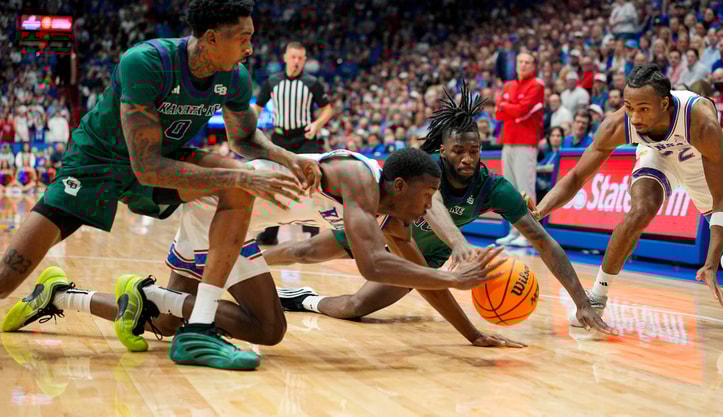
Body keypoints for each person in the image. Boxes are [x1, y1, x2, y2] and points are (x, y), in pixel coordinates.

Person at [0, 0, 321, 370]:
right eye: (244, 38)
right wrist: (239, 174)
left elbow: (246, 139)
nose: (251, 48)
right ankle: (54, 292)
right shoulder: (146, 62)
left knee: (235, 186)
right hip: (97, 164)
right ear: (213, 39)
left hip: (165, 159)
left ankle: (199, 323)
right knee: (8, 277)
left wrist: (287, 157)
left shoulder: (235, 76)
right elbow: (147, 167)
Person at [2, 149, 509, 367]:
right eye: (426, 197)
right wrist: (459, 278)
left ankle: (64, 296)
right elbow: (373, 266)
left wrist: (471, 332)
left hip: (219, 209)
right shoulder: (358, 180)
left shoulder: (392, 215)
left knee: (172, 315)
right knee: (267, 328)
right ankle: (144, 292)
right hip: (223, 206)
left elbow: (420, 277)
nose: (428, 207)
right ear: (399, 186)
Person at [267, 86, 612, 337]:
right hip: (380, 228)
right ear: (443, 150)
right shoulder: (426, 170)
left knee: (355, 308)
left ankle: (306, 300)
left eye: (474, 150)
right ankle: (243, 261)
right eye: (458, 150)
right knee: (303, 250)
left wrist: (581, 301)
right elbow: (434, 207)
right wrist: (459, 243)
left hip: (420, 255)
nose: (467, 158)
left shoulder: (494, 188)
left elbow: (543, 240)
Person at [532, 64, 723, 327]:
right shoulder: (620, 123)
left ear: (664, 103)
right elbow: (578, 176)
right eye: (629, 107)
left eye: (643, 109)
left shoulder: (702, 122)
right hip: (658, 156)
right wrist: (540, 211)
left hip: (700, 164)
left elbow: (721, 200)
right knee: (641, 209)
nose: (634, 117)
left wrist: (712, 261)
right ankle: (597, 296)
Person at [253, 41, 335, 245]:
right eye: (293, 57)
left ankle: (312, 233)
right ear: (285, 58)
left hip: (305, 138)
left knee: (312, 182)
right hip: (279, 139)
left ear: (305, 60)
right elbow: (257, 107)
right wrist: (250, 128)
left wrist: (316, 124)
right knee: (275, 182)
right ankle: (270, 233)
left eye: (300, 58)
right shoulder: (272, 82)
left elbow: (327, 108)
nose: (296, 61)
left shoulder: (312, 83)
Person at [494, 52, 544, 248]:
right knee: (510, 189)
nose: (523, 65)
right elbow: (498, 113)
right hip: (508, 141)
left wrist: (508, 106)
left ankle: (530, 234)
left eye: (527, 62)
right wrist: (510, 108)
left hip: (526, 142)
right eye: (520, 62)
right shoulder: (508, 85)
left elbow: (523, 112)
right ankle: (515, 231)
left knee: (526, 188)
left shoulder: (537, 86)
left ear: (534, 66)